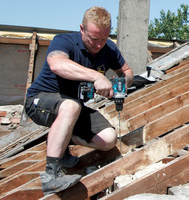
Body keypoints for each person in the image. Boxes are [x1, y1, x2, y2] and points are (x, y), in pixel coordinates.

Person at [25, 6, 134, 196]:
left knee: (109, 138)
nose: (99, 44)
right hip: (40, 100)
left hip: (71, 111)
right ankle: (52, 175)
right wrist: (96, 77)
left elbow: (127, 71)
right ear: (82, 29)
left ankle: (60, 141)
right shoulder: (64, 41)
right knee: (71, 106)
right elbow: (57, 64)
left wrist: (120, 85)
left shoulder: (109, 49)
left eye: (103, 39)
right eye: (93, 39)